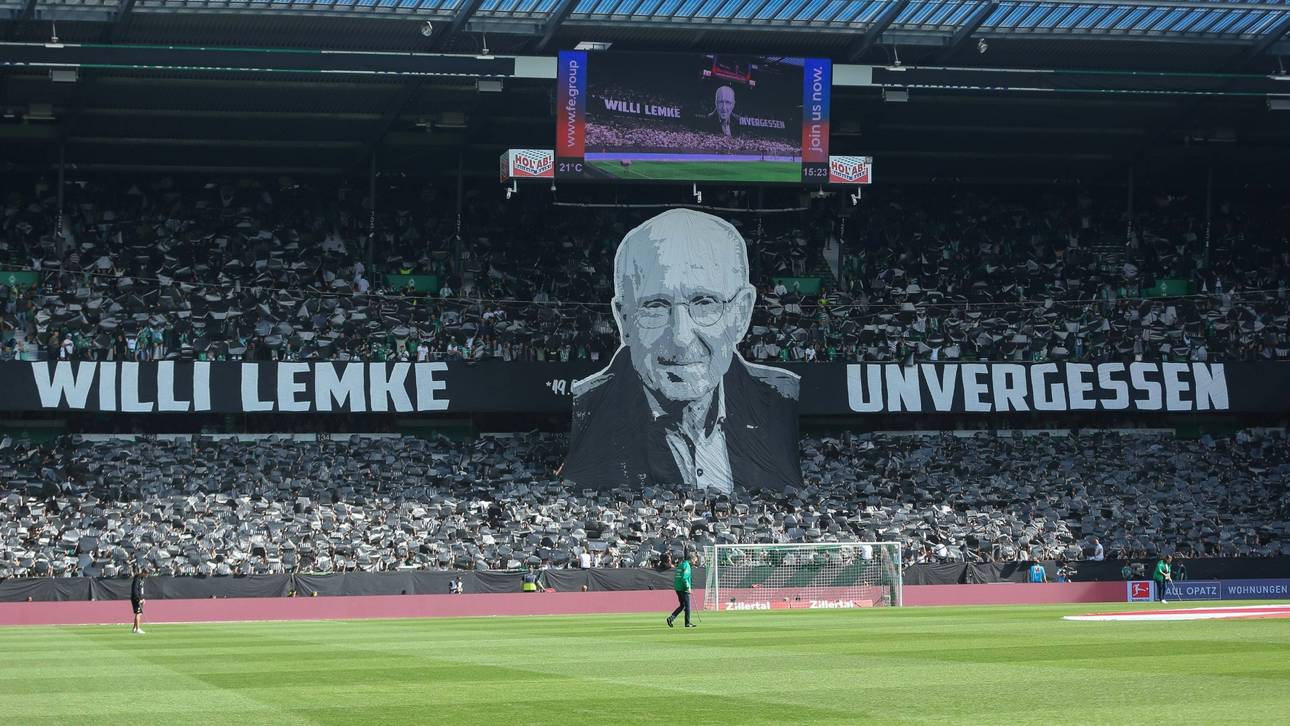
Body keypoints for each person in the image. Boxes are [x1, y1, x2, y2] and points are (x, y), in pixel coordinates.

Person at [564, 209, 801, 493]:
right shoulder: (590, 407)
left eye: (704, 303)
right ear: (623, 319)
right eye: (655, 306)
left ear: (741, 314)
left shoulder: (780, 398)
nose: (680, 337)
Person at [667, 550, 695, 629]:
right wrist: (688, 587)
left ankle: (671, 618)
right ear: (691, 559)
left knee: (682, 605)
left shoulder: (681, 564)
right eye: (694, 560)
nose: (695, 561)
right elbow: (684, 578)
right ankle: (687, 623)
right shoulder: (686, 565)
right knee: (687, 606)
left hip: (678, 587)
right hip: (683, 588)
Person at [130, 567, 147, 634]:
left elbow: (141, 590)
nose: (147, 575)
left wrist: (143, 598)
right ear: (143, 573)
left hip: (140, 599)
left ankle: (134, 628)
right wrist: (138, 599)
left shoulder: (142, 579)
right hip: (136, 599)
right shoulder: (137, 578)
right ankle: (137, 629)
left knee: (139, 613)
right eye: (146, 574)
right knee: (138, 613)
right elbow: (134, 590)